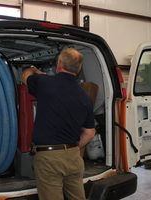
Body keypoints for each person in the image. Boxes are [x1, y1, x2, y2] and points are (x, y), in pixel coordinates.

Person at [21, 47, 95, 199]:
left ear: (59, 63)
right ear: (78, 69)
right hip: (74, 156)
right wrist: (72, 149)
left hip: (49, 159)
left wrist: (31, 69)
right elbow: (89, 133)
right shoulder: (84, 96)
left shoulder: (44, 83)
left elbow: (24, 77)